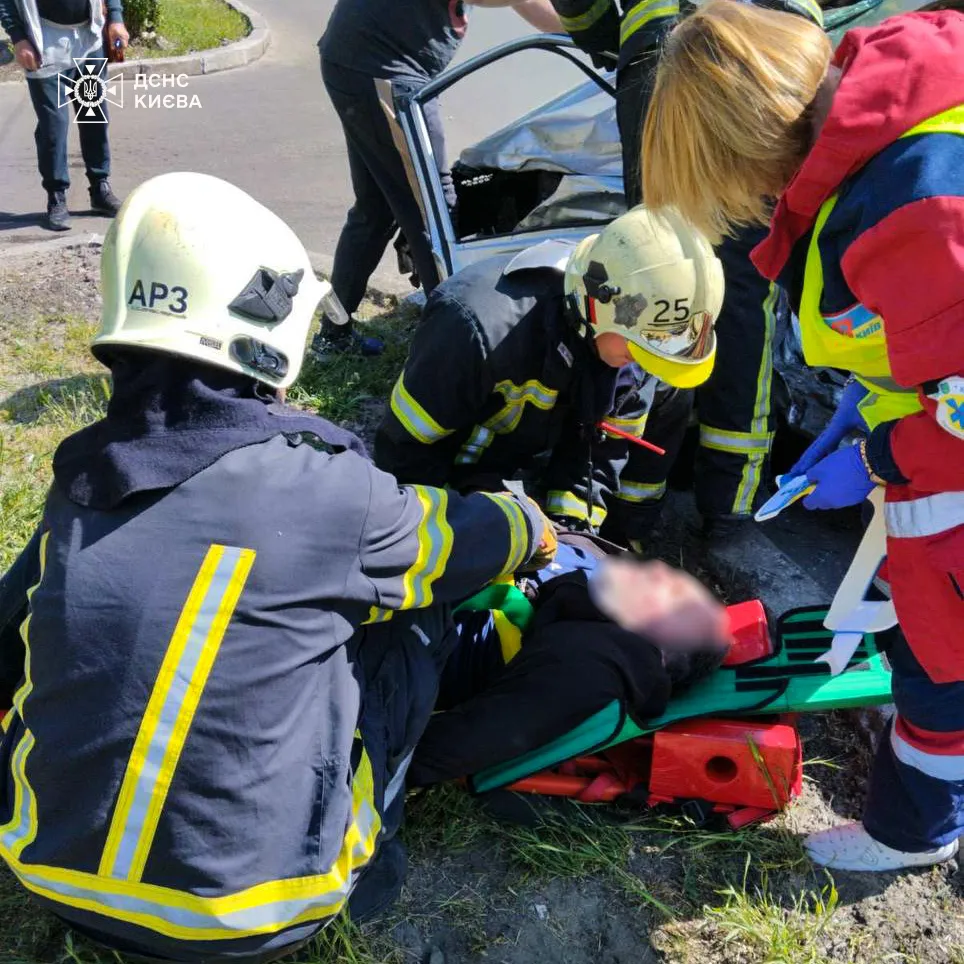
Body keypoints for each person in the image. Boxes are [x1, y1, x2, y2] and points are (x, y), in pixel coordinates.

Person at [0, 172, 555, 963]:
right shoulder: (329, 490)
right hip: (256, 916)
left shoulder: (81, 483)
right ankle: (372, 863)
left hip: (48, 872)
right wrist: (528, 520)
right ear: (270, 318)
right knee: (413, 619)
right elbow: (460, 544)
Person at [641, 0, 964, 871]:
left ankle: (914, 836)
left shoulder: (915, 201)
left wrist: (879, 456)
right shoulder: (904, 101)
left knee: (945, 658)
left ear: (751, 147)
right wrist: (879, 402)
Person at [548, 0, 823, 536]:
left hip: (662, 49)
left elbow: (583, 8)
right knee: (746, 293)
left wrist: (609, 39)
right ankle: (727, 503)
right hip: (774, 56)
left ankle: (624, 499)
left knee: (654, 274)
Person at [374, 205, 724, 549]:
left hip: (528, 456)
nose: (646, 363)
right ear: (595, 307)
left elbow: (597, 455)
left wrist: (572, 537)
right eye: (640, 349)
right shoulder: (474, 328)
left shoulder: (635, 341)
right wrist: (456, 531)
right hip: (458, 472)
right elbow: (405, 454)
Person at [314, 0, 564, 360]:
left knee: (377, 209)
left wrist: (588, 33)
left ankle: (333, 334)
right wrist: (592, 28)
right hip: (382, 69)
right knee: (433, 213)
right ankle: (452, 355)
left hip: (362, 60)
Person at [410, 540, 732, 787]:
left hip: (403, 627)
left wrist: (371, 764)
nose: (661, 572)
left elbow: (466, 743)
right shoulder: (597, 583)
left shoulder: (600, 664)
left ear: (661, 654)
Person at [0, 0, 128, 231]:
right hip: (44, 41)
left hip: (89, 38)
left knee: (94, 116)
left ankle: (100, 187)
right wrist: (18, 37)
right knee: (53, 125)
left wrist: (116, 18)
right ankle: (56, 196)